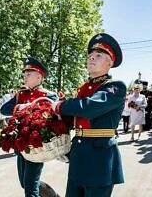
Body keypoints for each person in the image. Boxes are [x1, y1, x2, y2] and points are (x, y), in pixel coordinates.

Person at [53, 33, 126, 197]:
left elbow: (89, 108)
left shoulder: (115, 87)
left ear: (110, 62)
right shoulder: (82, 89)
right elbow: (72, 117)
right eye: (90, 55)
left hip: (100, 159)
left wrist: (59, 106)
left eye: (98, 55)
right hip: (79, 154)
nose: (92, 58)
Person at [0, 57, 58, 197]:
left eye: (28, 74)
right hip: (21, 144)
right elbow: (3, 109)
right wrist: (20, 106)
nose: (24, 76)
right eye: (24, 74)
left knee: (30, 188)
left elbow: (53, 116)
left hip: (36, 145)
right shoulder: (21, 94)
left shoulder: (49, 95)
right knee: (25, 183)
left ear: (39, 76)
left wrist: (32, 106)